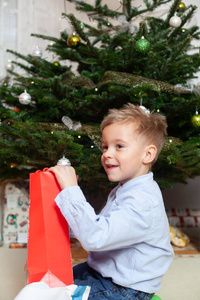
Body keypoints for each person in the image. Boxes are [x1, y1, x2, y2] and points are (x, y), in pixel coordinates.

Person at [49, 103, 174, 300]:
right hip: (101, 272)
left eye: (119, 146)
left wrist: (71, 189)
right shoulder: (127, 188)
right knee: (51, 282)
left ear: (147, 154)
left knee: (56, 296)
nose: (107, 154)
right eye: (105, 146)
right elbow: (104, 226)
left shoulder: (142, 199)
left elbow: (95, 238)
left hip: (124, 288)